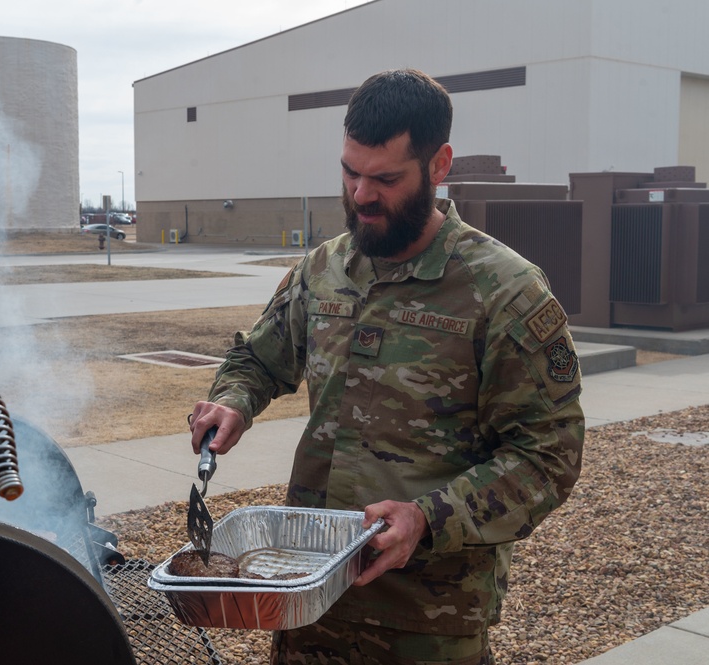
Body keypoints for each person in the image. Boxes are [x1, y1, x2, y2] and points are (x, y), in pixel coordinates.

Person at [187, 68, 585, 665]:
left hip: (427, 620)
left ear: (439, 165)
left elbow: (548, 457)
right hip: (306, 600)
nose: (361, 195)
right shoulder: (323, 268)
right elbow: (258, 359)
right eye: (349, 172)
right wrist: (235, 399)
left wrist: (428, 518)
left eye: (386, 179)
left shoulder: (504, 291)